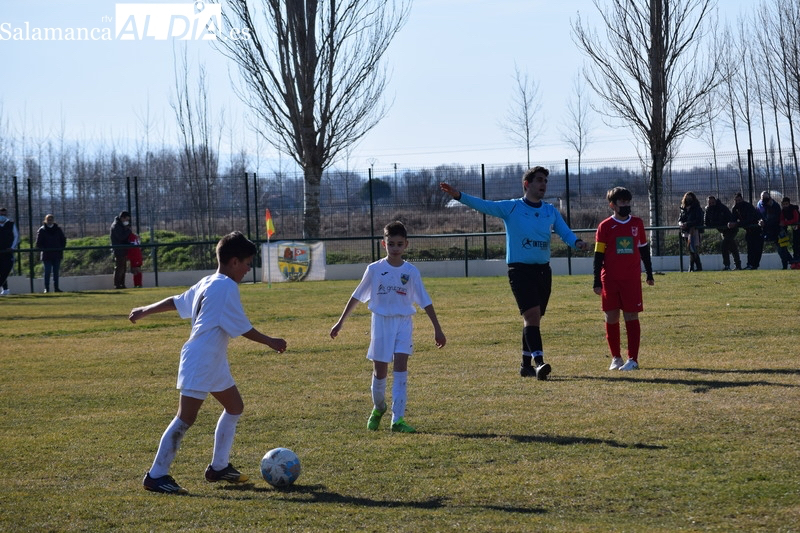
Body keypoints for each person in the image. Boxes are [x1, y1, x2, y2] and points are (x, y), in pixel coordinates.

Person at [129, 231, 288, 494]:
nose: (249, 269)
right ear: (234, 261)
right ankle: (156, 475)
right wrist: (270, 341)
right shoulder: (226, 286)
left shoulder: (208, 282)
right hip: (201, 358)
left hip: (211, 357)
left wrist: (146, 310)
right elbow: (242, 327)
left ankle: (219, 467)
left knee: (235, 407)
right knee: (185, 417)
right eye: (248, 263)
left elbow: (176, 301)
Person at [440, 166, 589, 380]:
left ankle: (525, 365)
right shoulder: (512, 207)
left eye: (545, 181)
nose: (543, 184)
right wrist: (459, 196)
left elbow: (564, 231)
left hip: (543, 271)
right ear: (527, 184)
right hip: (520, 271)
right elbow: (484, 205)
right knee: (532, 315)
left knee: (533, 319)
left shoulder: (549, 210)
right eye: (539, 180)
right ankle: (539, 363)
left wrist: (577, 242)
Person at [330, 221, 445, 434]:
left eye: (399, 244)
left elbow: (425, 300)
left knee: (401, 369)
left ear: (406, 245)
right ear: (384, 244)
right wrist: (340, 322)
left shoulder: (411, 271)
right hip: (381, 323)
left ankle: (398, 420)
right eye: (391, 244)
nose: (395, 248)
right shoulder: (374, 270)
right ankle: (379, 407)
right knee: (380, 372)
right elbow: (356, 296)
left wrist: (437, 328)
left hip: (403, 323)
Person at [593, 187, 654, 371]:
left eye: (628, 201)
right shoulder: (604, 226)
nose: (626, 205)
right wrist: (596, 280)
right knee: (611, 317)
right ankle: (616, 358)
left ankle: (633, 359)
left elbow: (644, 249)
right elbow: (598, 256)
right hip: (610, 280)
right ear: (613, 205)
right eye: (622, 202)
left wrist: (649, 274)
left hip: (631, 280)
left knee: (631, 316)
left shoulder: (637, 223)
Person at [704, 195, 741, 271]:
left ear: (715, 201)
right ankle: (738, 265)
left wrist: (715, 223)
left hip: (730, 229)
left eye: (712, 202)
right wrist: (707, 211)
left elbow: (722, 220)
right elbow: (706, 222)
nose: (711, 204)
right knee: (732, 247)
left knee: (724, 246)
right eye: (709, 203)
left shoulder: (721, 208)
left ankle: (727, 265)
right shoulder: (708, 210)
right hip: (723, 231)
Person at [757, 191, 792, 269]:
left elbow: (775, 218)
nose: (764, 200)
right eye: (763, 198)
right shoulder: (759, 205)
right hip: (767, 230)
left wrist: (765, 222)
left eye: (766, 198)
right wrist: (760, 221)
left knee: (782, 248)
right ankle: (791, 262)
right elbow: (758, 215)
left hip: (777, 229)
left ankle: (789, 263)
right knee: (780, 249)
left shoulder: (774, 205)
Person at [729, 193, 763, 270]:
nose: (738, 202)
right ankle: (750, 265)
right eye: (736, 200)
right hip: (749, 231)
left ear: (742, 199)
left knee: (757, 249)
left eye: (739, 200)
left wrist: (736, 224)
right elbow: (733, 218)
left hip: (756, 230)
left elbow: (749, 220)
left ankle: (754, 265)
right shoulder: (735, 208)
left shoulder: (748, 206)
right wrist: (731, 223)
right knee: (750, 249)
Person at [35, 214, 67, 293]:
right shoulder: (42, 230)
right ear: (45, 220)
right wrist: (45, 249)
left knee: (56, 272)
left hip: (57, 254)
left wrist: (60, 248)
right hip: (47, 255)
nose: (50, 221)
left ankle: (56, 288)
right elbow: (38, 243)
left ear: (53, 220)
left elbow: (63, 240)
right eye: (48, 220)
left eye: (51, 220)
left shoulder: (58, 229)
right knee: (47, 272)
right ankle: (47, 288)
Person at [678, 191, 704, 272]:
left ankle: (692, 267)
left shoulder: (697, 208)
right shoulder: (683, 209)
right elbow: (680, 219)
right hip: (685, 232)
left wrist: (688, 224)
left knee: (693, 249)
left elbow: (698, 220)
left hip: (693, 231)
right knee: (690, 250)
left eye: (690, 197)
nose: (688, 199)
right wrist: (681, 224)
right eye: (687, 197)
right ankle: (697, 267)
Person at [0, 207, 19, 296]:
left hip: (8, 252)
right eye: (1, 214)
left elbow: (16, 236)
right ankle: (5, 289)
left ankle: (5, 288)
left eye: (4, 214)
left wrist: (12, 247)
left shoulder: (11, 224)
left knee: (6, 270)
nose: (2, 216)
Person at [110, 211, 132, 289]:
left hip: (122, 249)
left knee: (123, 268)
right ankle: (117, 284)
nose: (127, 221)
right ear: (122, 218)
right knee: (119, 268)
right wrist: (128, 230)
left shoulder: (119, 225)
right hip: (119, 249)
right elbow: (121, 237)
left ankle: (122, 284)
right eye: (126, 219)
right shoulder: (116, 226)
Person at [780, 196, 800, 262]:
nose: (785, 205)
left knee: (797, 241)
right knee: (795, 242)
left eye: (786, 204)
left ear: (789, 203)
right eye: (784, 204)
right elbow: (782, 219)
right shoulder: (783, 211)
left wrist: (785, 223)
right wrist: (784, 223)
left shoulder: (793, 209)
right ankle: (795, 256)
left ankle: (797, 256)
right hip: (794, 227)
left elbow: (796, 219)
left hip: (797, 226)